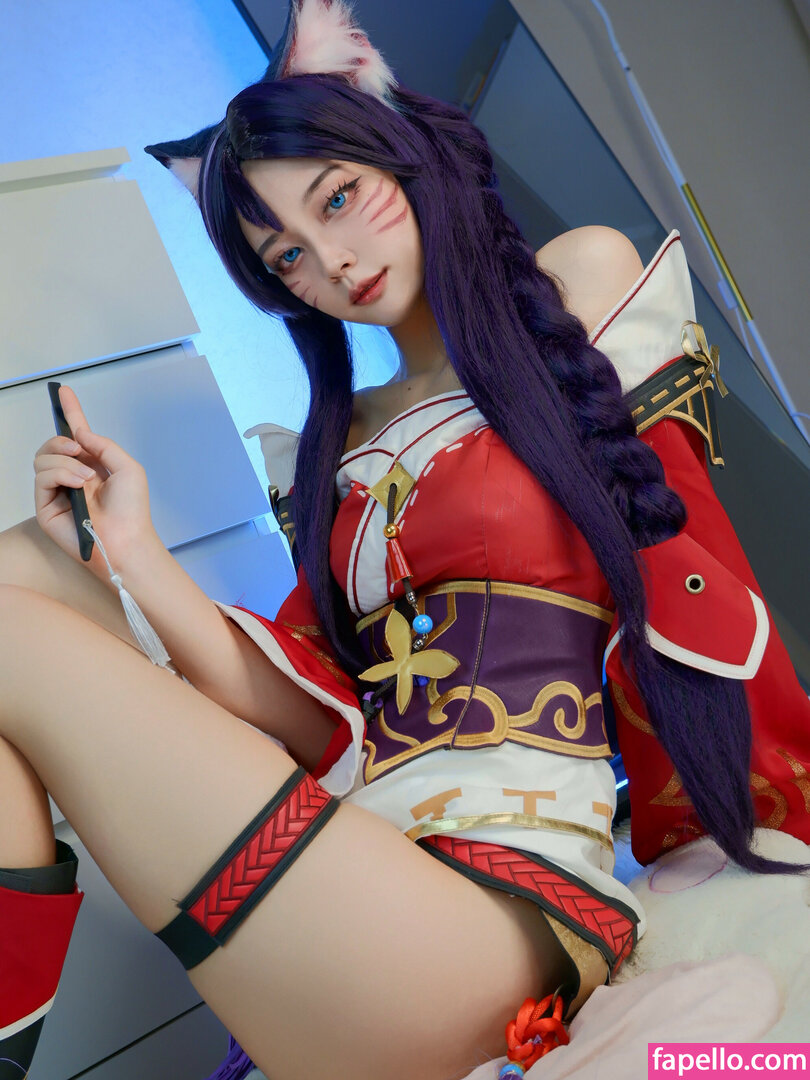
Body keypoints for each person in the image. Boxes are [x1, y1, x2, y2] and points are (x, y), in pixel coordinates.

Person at [1, 3, 808, 1079]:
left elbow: (690, 557)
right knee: (24, 566)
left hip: (497, 901)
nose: (333, 261)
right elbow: (314, 713)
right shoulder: (335, 449)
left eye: (338, 198)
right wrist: (134, 552)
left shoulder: (573, 294)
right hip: (363, 866)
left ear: (396, 143)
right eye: (287, 257)